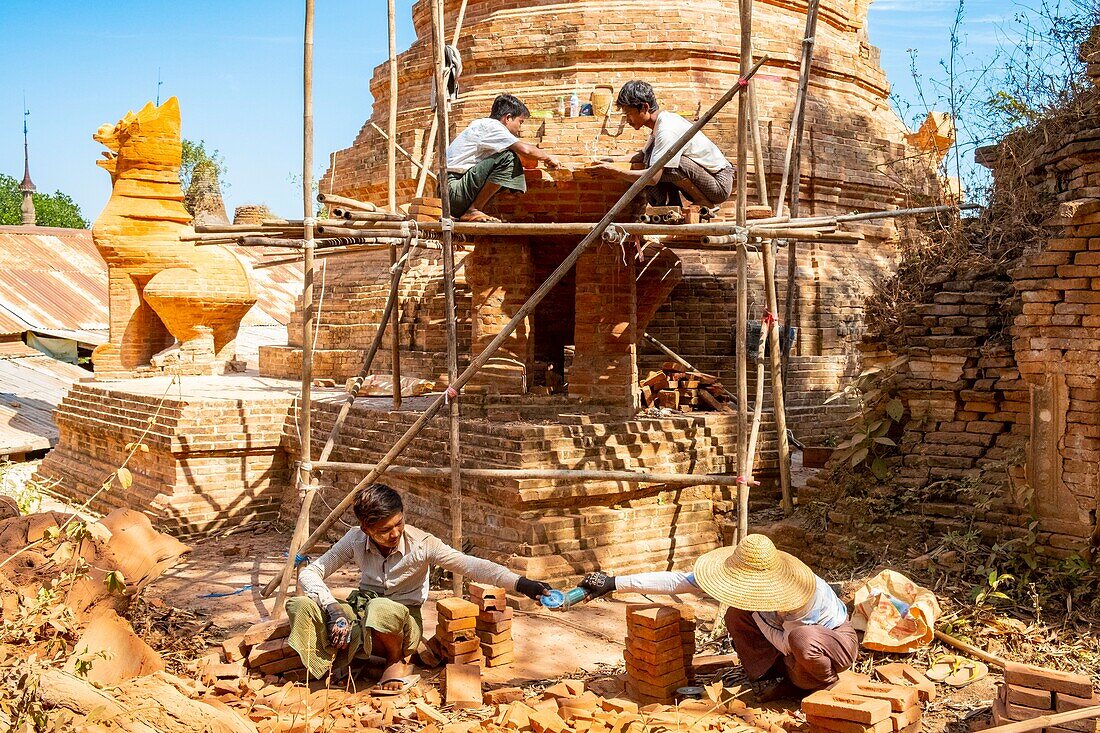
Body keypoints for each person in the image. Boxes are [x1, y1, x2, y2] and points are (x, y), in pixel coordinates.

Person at [286, 483, 552, 687]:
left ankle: (396, 661)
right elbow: (311, 573)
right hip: (364, 613)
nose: (394, 534)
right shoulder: (354, 539)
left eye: (398, 523)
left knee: (381, 608)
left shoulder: (423, 544)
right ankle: (329, 663)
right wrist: (332, 608)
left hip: (402, 623)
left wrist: (521, 583)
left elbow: (472, 565)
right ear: (366, 529)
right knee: (300, 604)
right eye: (384, 530)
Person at [578, 534, 857, 700]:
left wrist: (757, 615)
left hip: (832, 644)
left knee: (801, 639)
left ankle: (821, 684)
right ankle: (776, 678)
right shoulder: (746, 580)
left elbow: (788, 643)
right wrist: (614, 582)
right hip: (789, 645)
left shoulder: (803, 594)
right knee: (737, 613)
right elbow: (678, 581)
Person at [595, 80, 734, 209]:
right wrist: (612, 161)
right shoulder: (660, 123)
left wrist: (614, 172)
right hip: (705, 179)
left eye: (629, 114)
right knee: (651, 157)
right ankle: (672, 204)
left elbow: (653, 178)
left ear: (644, 107)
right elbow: (642, 155)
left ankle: (702, 201)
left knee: (662, 165)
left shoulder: (667, 129)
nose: (627, 120)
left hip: (718, 184)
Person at [445, 93, 560, 222]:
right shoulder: (492, 126)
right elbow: (525, 150)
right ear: (508, 118)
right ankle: (474, 210)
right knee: (508, 158)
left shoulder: (482, 126)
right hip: (453, 190)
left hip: (450, 195)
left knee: (511, 162)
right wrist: (548, 157)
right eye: (520, 122)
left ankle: (474, 209)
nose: (520, 128)